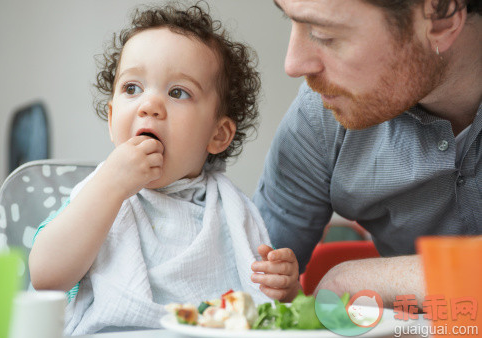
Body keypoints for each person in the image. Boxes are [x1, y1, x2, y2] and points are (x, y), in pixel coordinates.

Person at [29, 3, 300, 335]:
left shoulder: (231, 210)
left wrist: (284, 289)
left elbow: (262, 310)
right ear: (112, 120)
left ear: (218, 135)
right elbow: (45, 276)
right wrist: (111, 187)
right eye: (132, 88)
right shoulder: (100, 194)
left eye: (177, 92)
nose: (150, 105)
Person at [252, 0, 481, 308]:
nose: (293, 64)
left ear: (440, 17)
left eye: (323, 33)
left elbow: (343, 287)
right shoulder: (319, 117)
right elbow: (244, 288)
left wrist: (352, 280)